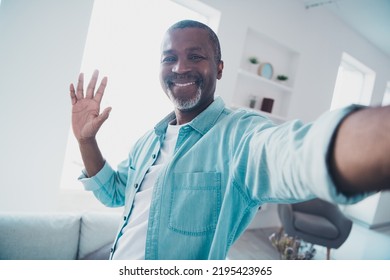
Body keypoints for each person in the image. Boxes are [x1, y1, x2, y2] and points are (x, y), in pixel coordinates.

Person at [69, 19, 390, 260]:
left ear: (219, 68)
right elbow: (114, 193)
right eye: (169, 58)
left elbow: (295, 155)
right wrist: (87, 141)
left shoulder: (240, 135)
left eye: (195, 56)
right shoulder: (148, 140)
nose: (180, 67)